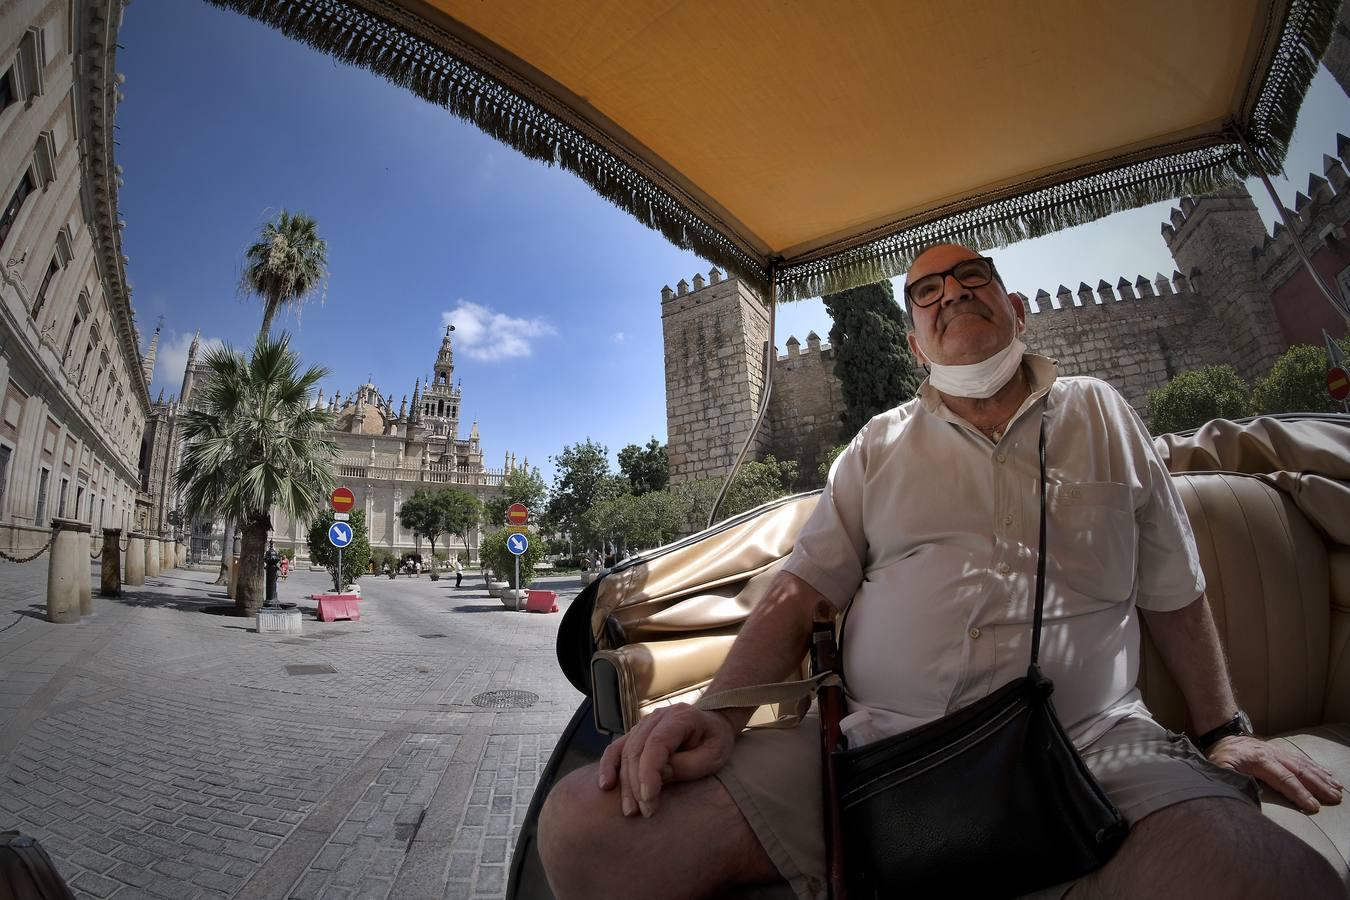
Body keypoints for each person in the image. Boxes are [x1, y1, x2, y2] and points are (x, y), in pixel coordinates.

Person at [537, 243, 1344, 900]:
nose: (952, 292)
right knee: (587, 827)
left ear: (1016, 308)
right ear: (914, 343)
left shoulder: (1101, 414)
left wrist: (1224, 732)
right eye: (927, 291)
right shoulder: (875, 449)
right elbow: (798, 593)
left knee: (1275, 878)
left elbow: (1177, 592)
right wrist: (720, 713)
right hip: (881, 758)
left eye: (973, 277)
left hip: (1092, 749)